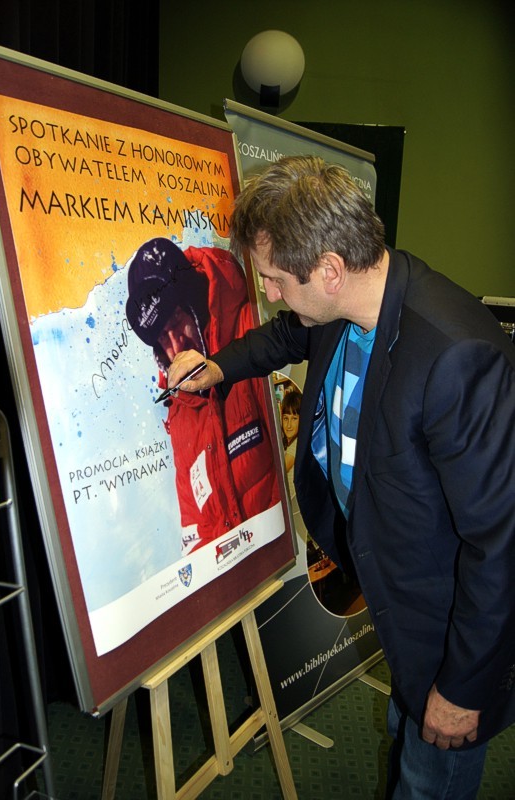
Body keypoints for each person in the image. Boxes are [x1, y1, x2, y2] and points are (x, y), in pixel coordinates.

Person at [166, 156, 515, 798]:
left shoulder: (456, 357)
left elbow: (500, 546)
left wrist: (462, 690)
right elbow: (283, 340)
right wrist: (217, 366)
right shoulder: (340, 308)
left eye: (274, 279)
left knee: (429, 775)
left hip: (448, 626)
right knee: (404, 732)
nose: (269, 292)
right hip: (395, 596)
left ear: (329, 270)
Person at [125, 237, 280, 555]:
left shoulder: (253, 331)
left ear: (195, 302)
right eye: (162, 337)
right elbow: (195, 530)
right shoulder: (179, 410)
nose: (175, 345)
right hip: (244, 576)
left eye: (177, 320)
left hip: (290, 558)